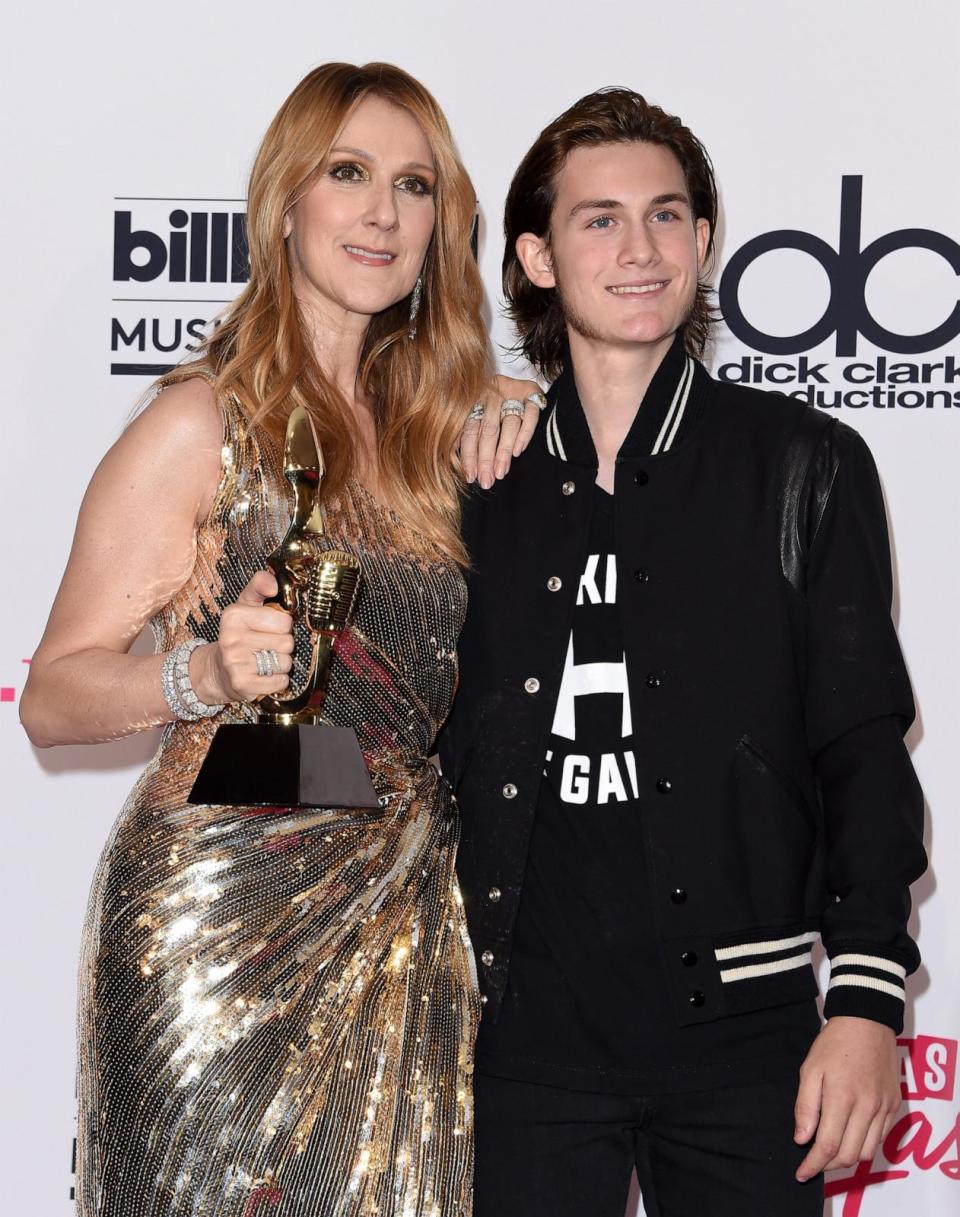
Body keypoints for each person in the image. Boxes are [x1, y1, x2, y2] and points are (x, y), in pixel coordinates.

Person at [20, 62, 540, 1216]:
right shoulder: (201, 419)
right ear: (285, 201)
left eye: (415, 186)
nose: (382, 213)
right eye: (347, 173)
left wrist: (516, 402)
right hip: (215, 914)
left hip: (395, 907)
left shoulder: (448, 435)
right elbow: (51, 696)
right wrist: (195, 672)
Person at [439, 87, 927, 1217]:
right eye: (599, 219)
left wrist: (864, 999)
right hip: (517, 1043)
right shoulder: (471, 483)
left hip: (747, 1038)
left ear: (704, 241)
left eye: (667, 215)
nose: (640, 247)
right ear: (538, 256)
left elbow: (862, 748)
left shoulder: (804, 463)